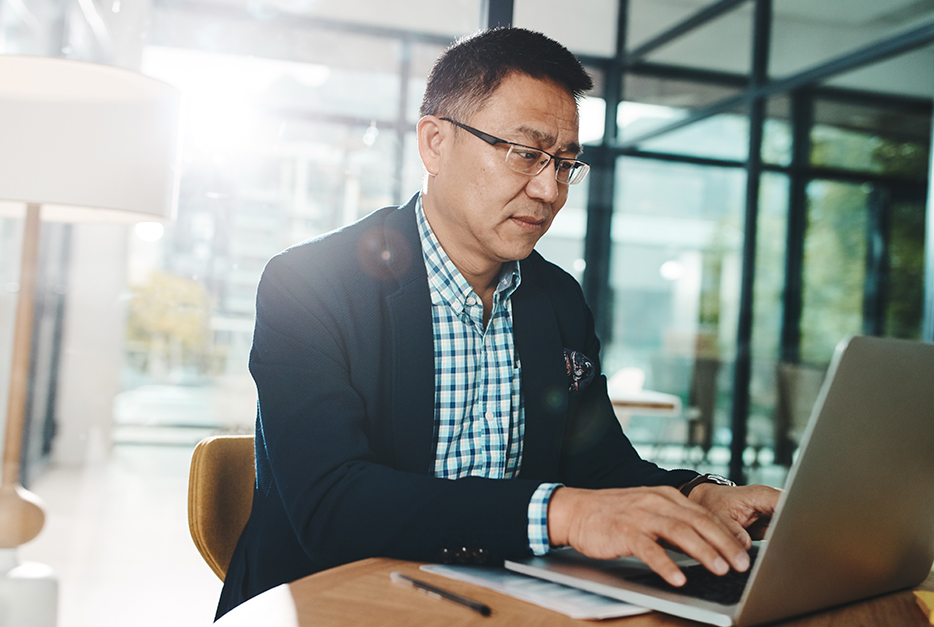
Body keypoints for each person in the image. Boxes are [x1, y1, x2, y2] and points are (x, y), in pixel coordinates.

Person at [216, 27, 779, 619]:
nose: (549, 191)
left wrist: (700, 496)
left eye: (564, 164)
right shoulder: (308, 284)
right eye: (525, 153)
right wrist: (565, 514)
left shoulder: (556, 297)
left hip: (505, 599)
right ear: (434, 144)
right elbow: (332, 505)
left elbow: (600, 464)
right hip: (331, 598)